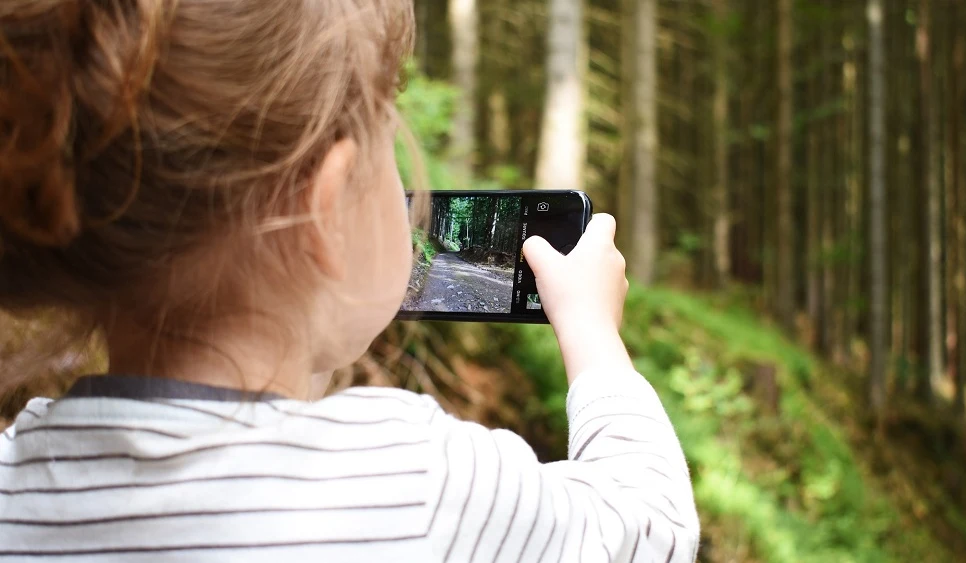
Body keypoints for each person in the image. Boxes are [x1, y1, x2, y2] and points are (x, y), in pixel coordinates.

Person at [0, 0, 700, 561]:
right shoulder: (422, 484)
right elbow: (650, 521)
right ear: (327, 209)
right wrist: (592, 332)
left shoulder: (16, 483)